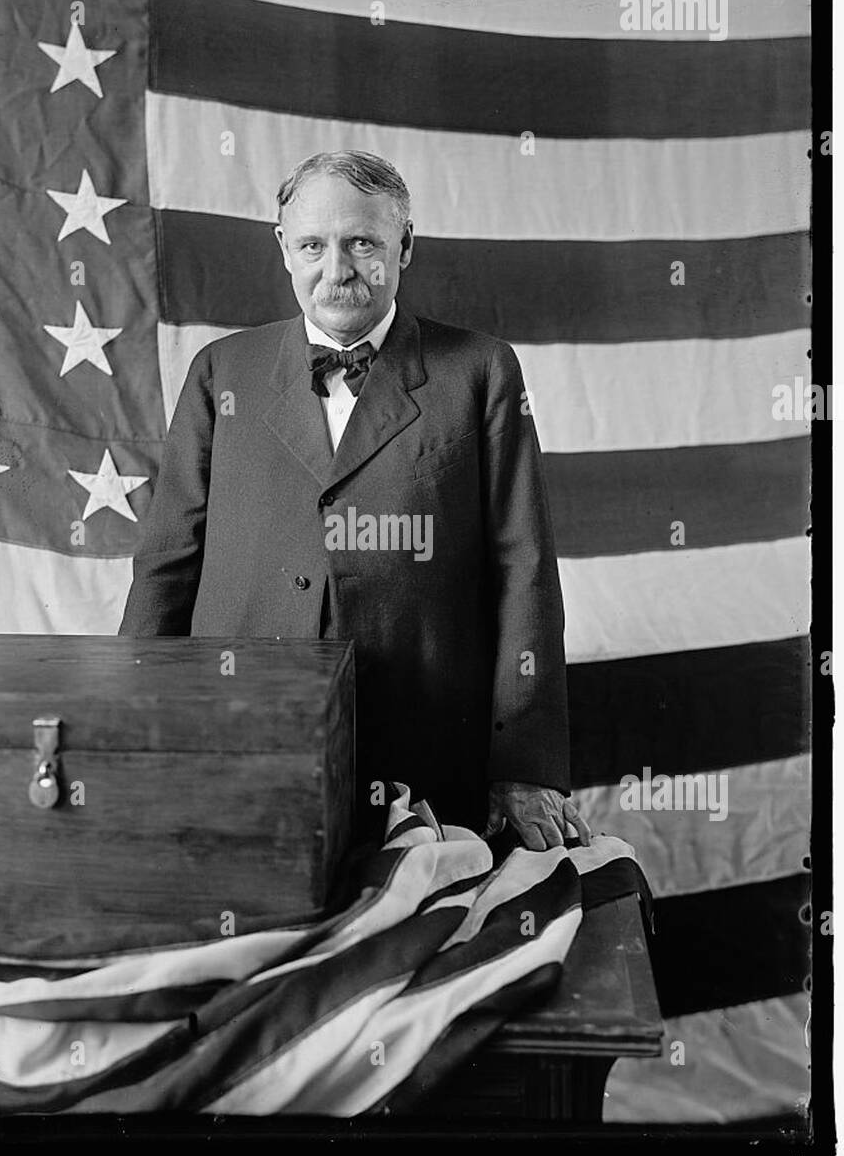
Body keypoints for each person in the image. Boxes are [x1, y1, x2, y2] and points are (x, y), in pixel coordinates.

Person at [120, 150, 590, 851]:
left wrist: (523, 766)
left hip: (427, 758)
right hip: (241, 746)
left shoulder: (481, 371)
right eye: (313, 244)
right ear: (283, 249)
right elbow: (166, 564)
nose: (336, 269)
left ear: (404, 246)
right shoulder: (221, 370)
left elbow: (524, 570)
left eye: (362, 242)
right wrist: (125, 731)